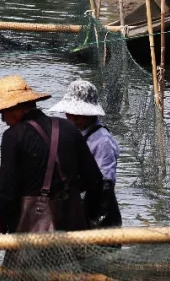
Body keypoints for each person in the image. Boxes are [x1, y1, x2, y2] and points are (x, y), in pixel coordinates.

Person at [0, 75, 103, 261]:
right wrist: (65, 193)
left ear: (15, 108)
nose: (3, 120)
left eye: (3, 113)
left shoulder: (13, 137)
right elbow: (94, 180)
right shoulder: (69, 129)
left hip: (32, 239)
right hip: (73, 234)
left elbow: (6, 197)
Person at [49, 79, 121, 228]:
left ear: (90, 114)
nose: (72, 119)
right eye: (69, 114)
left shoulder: (102, 141)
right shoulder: (75, 135)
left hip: (95, 211)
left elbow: (105, 185)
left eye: (78, 115)